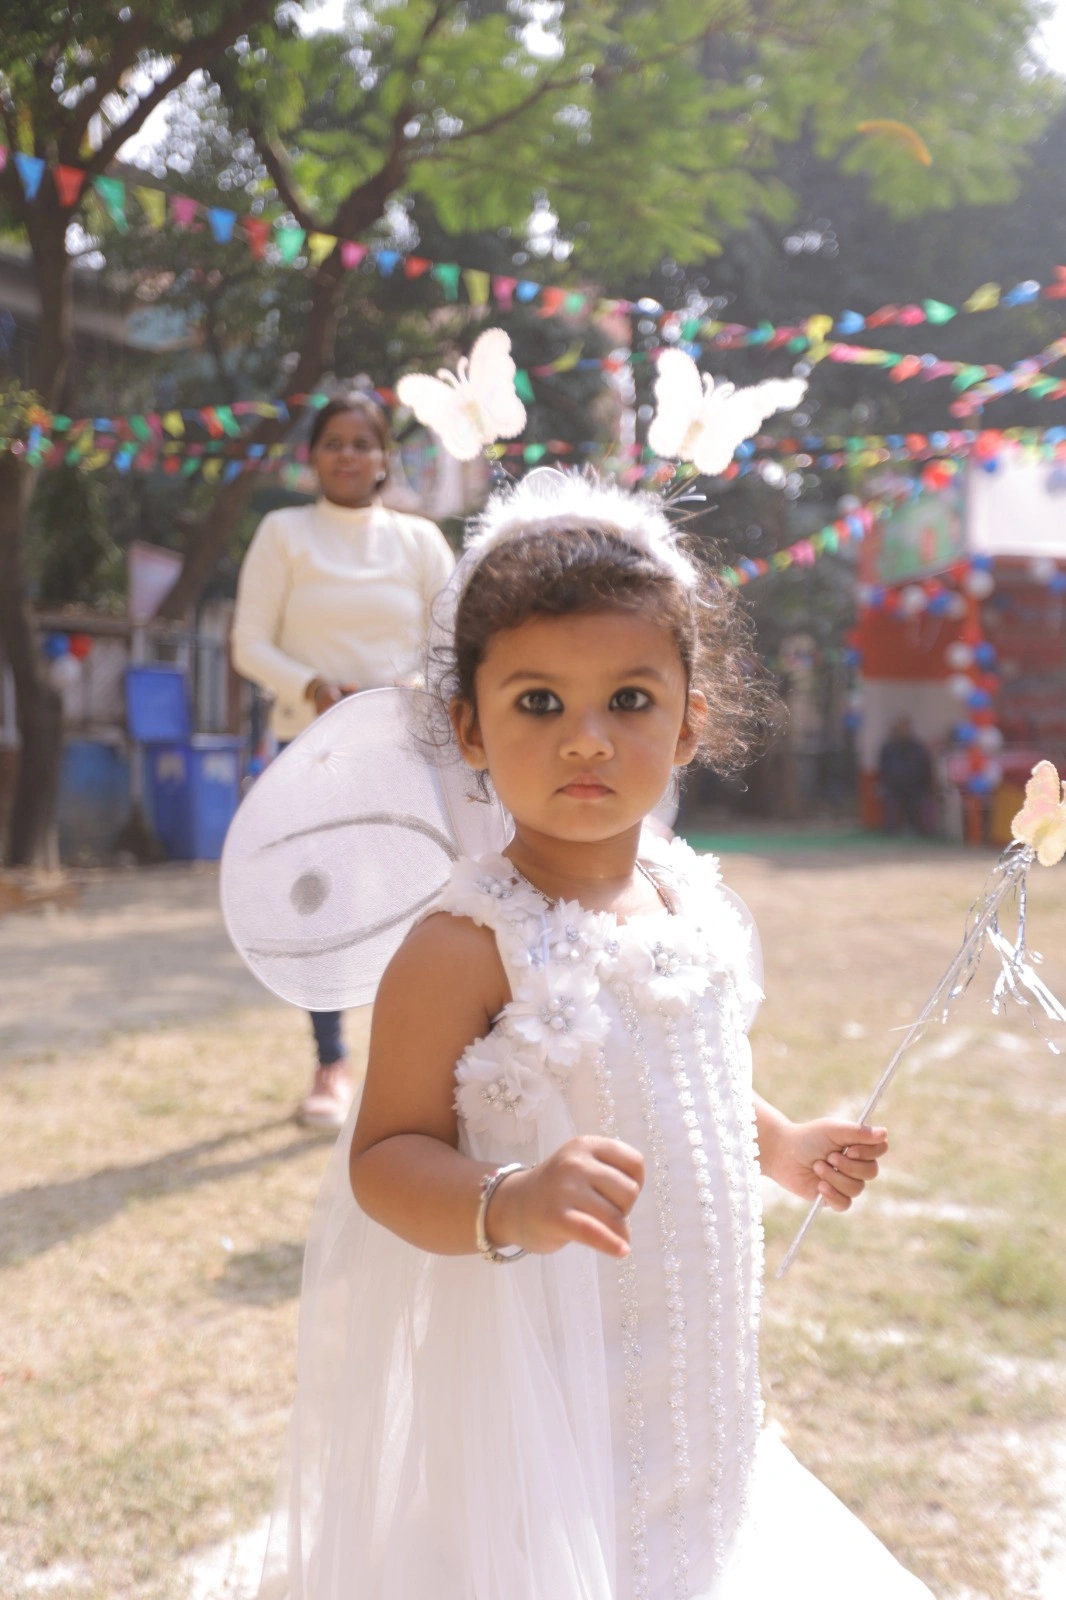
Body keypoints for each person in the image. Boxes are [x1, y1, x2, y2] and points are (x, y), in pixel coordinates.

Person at [258, 472, 933, 1599]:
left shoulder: (689, 895)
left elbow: (686, 1071)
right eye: (538, 702)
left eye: (628, 699)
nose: (586, 740)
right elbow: (382, 1156)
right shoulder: (465, 944)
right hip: (550, 1388)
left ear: (689, 719)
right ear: (469, 726)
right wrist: (508, 1200)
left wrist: (778, 1142)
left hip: (696, 1369)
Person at [231, 395, 454, 1128]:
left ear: (385, 457)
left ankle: (416, 1065)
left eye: (363, 442)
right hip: (311, 749)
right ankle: (331, 1064)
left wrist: (403, 692)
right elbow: (249, 642)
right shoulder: (283, 532)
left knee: (417, 901)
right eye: (333, 441)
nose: (348, 454)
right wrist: (313, 686)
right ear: (313, 456)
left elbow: (454, 642)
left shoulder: (420, 540)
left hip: (404, 747)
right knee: (321, 903)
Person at [879, 715, 934, 835]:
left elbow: (924, 766)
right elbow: (884, 767)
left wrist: (920, 781)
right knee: (890, 804)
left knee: (914, 804)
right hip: (893, 786)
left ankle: (914, 828)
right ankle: (891, 830)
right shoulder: (888, 747)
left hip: (914, 786)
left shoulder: (917, 747)